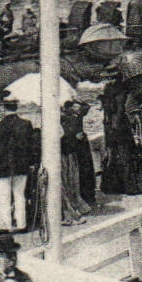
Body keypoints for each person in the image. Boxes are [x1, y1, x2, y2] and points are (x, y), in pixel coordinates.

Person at [0, 97, 36, 230]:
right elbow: (32, 147)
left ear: (3, 108)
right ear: (16, 107)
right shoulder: (26, 124)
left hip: (3, 167)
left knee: (4, 198)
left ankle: (7, 226)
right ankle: (22, 225)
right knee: (20, 195)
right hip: (22, 166)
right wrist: (31, 162)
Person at [58, 94, 96, 223]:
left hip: (75, 149)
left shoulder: (71, 117)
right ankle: (84, 198)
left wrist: (76, 99)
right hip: (74, 148)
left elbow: (86, 107)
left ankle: (84, 198)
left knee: (78, 175)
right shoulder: (68, 118)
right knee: (76, 176)